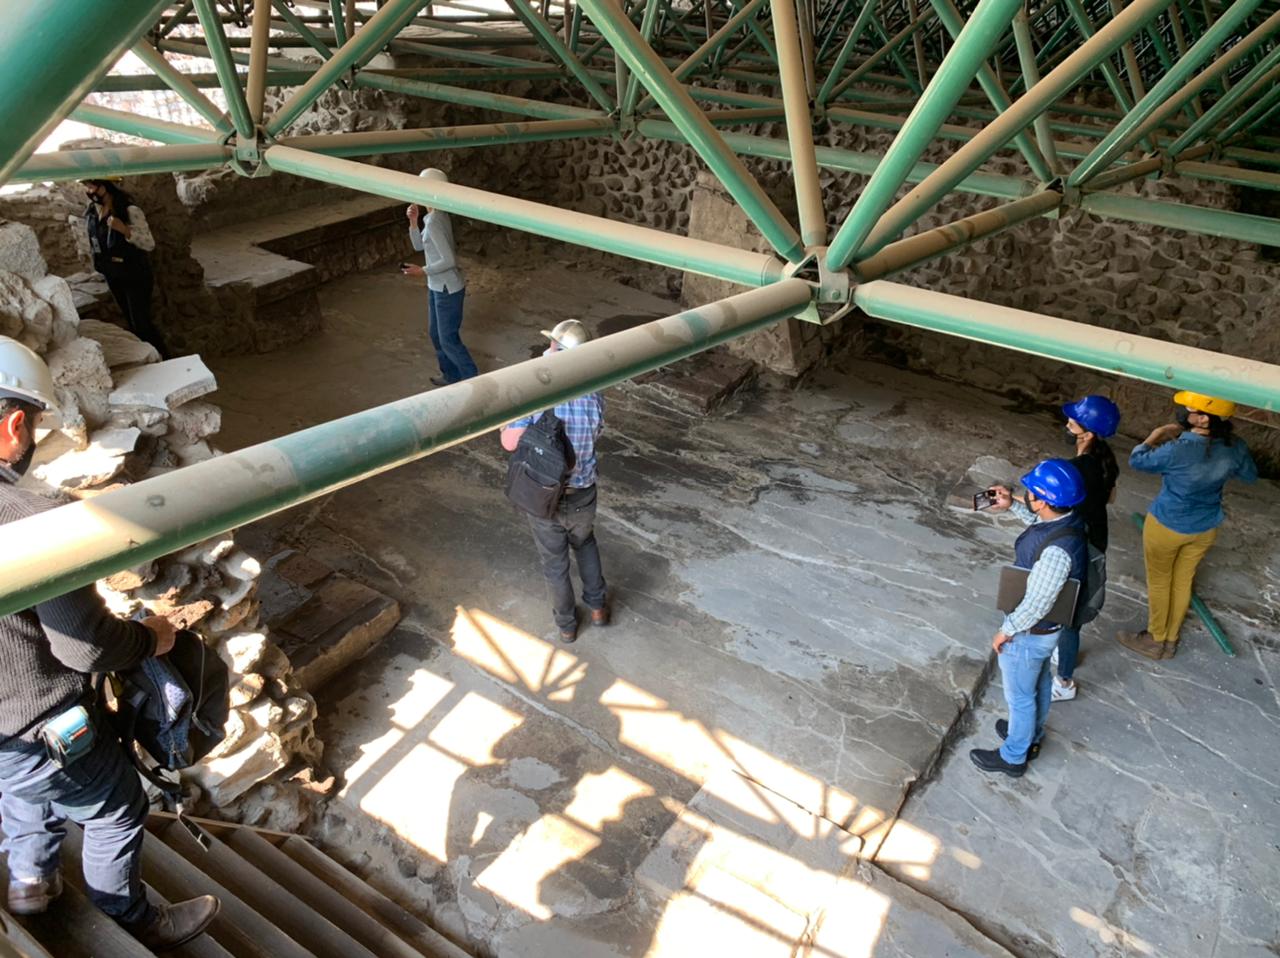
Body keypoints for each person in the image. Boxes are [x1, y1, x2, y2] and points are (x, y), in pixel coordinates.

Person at [0, 337, 218, 948]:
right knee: (116, 807)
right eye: (36, 424)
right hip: (40, 721)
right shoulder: (27, 517)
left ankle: (29, 880)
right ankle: (134, 919)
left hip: (2, 738)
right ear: (15, 422)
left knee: (20, 787)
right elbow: (85, 647)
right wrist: (149, 638)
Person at [1117, 391, 1257, 660]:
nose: (1184, 411)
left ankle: (1155, 639)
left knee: (1159, 583)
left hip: (1167, 525)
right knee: (1182, 581)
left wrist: (1156, 434)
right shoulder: (1235, 445)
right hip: (1205, 527)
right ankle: (1170, 640)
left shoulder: (1178, 448)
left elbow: (1138, 461)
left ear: (1204, 418)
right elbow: (1249, 475)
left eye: (1190, 408)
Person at [971, 459, 1088, 778]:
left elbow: (1037, 603)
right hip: (1047, 631)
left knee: (1020, 698)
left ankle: (1013, 757)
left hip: (1031, 633)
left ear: (1046, 501)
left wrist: (1005, 631)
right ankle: (1030, 736)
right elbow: (1044, 527)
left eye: (1030, 493)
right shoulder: (1070, 520)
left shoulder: (1057, 553)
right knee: (1039, 682)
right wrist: (1012, 507)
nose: (1025, 495)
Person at [500, 320, 608, 642]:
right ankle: (598, 608)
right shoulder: (595, 391)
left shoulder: (539, 391)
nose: (548, 350)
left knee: (554, 563)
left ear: (560, 354)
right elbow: (597, 431)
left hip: (545, 495)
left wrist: (506, 423)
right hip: (583, 492)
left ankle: (566, 626)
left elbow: (509, 442)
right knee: (585, 544)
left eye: (553, 346)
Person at [1051, 395, 1121, 702]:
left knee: (1069, 616)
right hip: (1095, 536)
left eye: (1073, 420)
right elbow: (1110, 499)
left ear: (1088, 433)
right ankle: (1064, 655)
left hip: (1079, 543)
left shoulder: (1078, 467)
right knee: (1069, 607)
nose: (1067, 423)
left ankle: (1064, 682)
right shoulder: (1106, 462)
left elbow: (1055, 508)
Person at [402, 168, 477, 386]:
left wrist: (422, 270)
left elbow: (449, 260)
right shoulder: (433, 217)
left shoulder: (435, 221)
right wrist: (414, 222)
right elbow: (419, 245)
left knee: (448, 340)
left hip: (447, 288)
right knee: (436, 335)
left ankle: (473, 381)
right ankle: (451, 376)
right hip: (436, 286)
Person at [82, 178, 167, 358]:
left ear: (104, 187)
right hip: (112, 273)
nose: (89, 192)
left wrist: (125, 230)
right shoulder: (93, 211)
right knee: (130, 320)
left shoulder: (129, 211)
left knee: (141, 322)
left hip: (134, 273)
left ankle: (164, 358)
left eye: (91, 187)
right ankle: (149, 360)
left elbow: (149, 243)